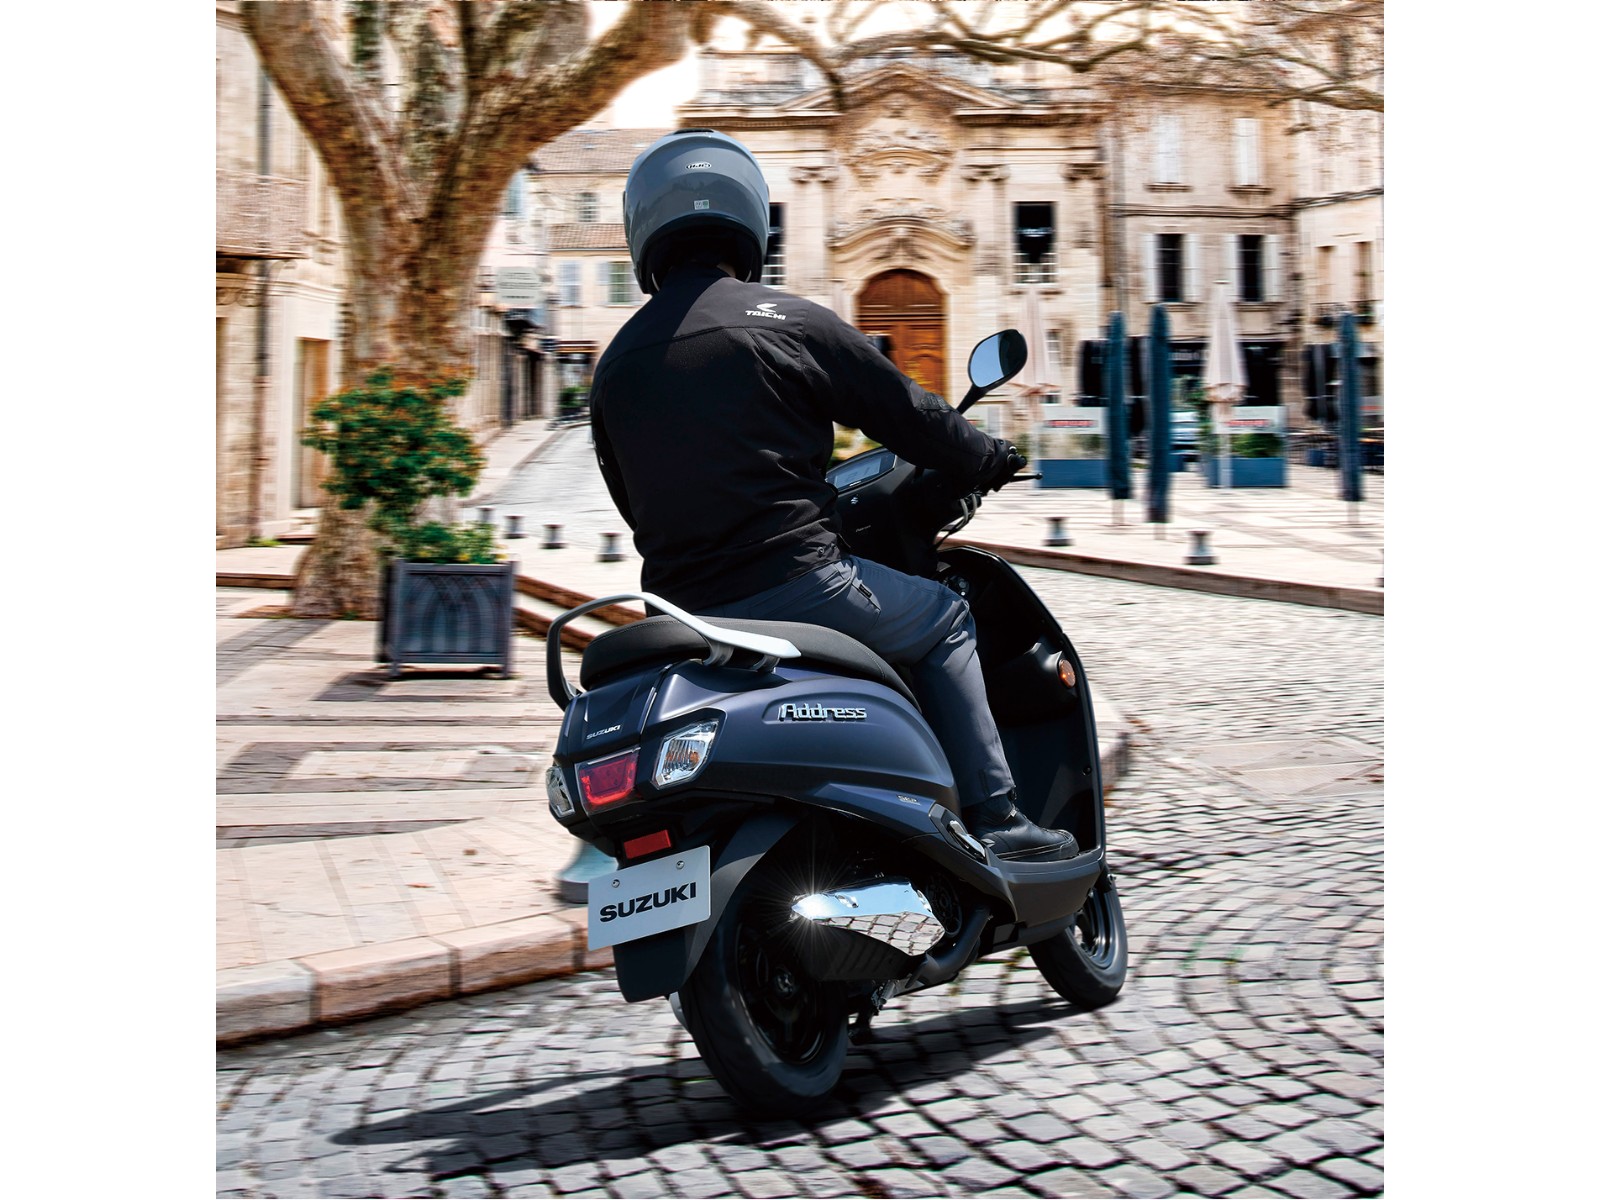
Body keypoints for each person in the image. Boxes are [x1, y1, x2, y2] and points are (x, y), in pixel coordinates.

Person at [588, 128, 1076, 862]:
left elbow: (627, 498)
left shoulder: (616, 361)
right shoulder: (787, 321)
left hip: (676, 608)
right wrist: (987, 456)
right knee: (944, 619)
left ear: (643, 230)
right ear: (750, 220)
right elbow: (909, 413)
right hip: (795, 584)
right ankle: (998, 817)